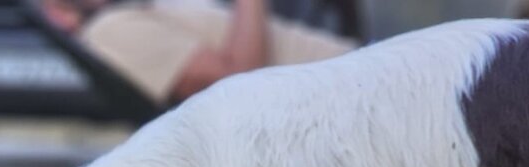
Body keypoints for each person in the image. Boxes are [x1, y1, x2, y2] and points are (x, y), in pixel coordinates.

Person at [40, 0, 358, 104]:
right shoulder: (111, 29)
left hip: (359, 65)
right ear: (59, 14)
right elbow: (240, 82)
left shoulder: (134, 10)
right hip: (350, 86)